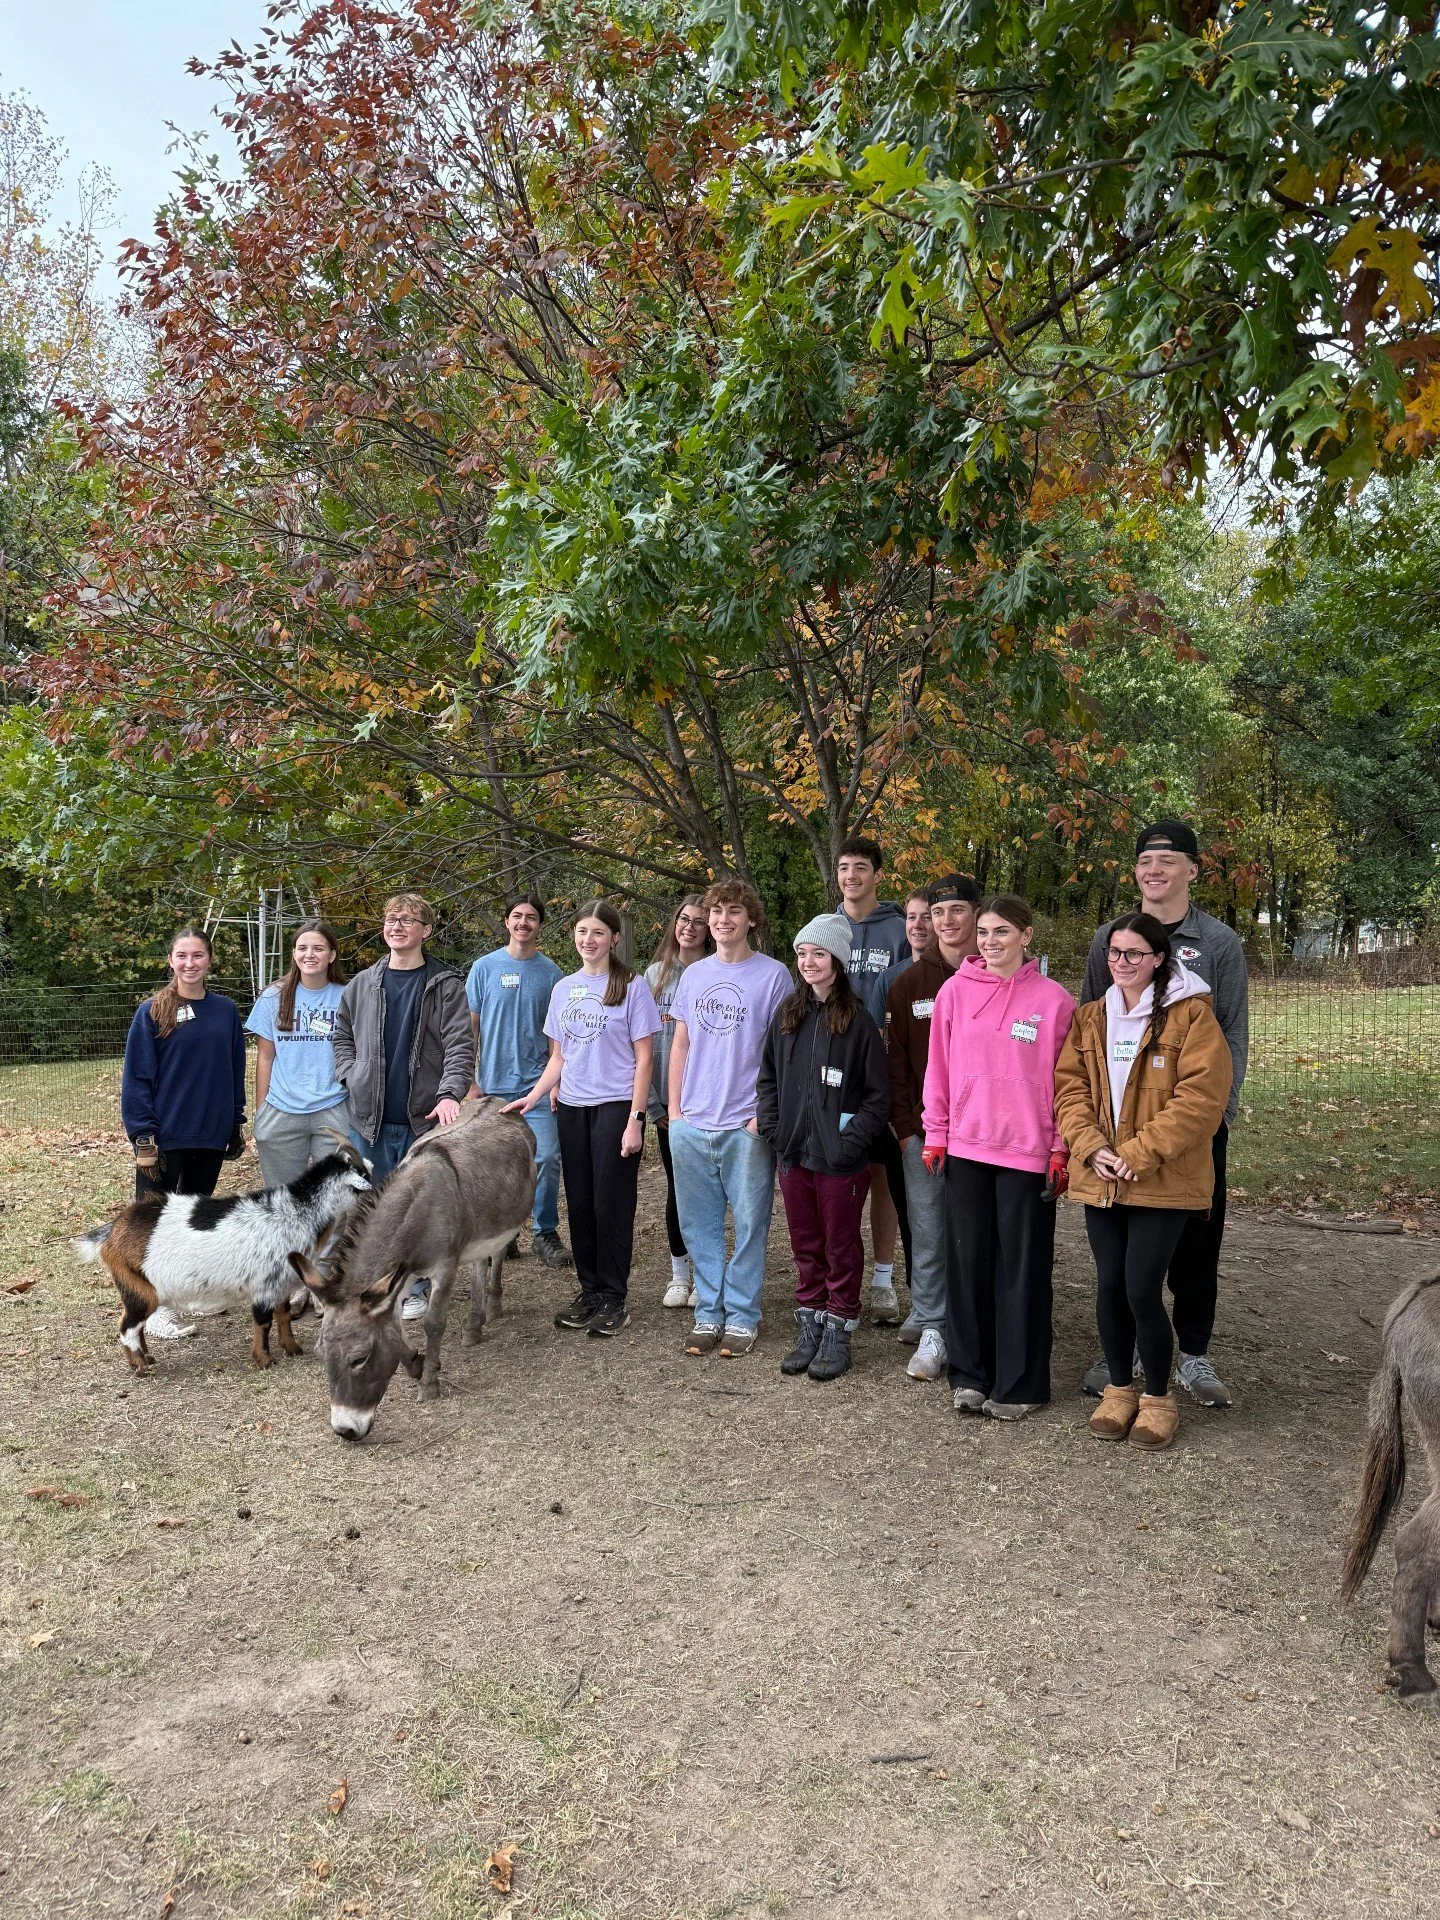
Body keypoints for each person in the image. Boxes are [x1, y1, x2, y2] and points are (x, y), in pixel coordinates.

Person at [1078, 820, 1249, 1408]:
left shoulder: (1219, 942)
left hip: (1191, 1125)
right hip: (1116, 1127)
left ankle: (1194, 1356)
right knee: (1122, 1256)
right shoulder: (1112, 935)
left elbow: (1230, 1031)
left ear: (1192, 869)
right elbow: (1091, 1027)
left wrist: (1218, 1114)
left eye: (1168, 859)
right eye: (1145, 860)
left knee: (1197, 1246)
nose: (1155, 869)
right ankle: (1120, 1355)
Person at [1055, 913, 1234, 1451]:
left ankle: (1158, 1398)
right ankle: (1119, 1388)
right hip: (1102, 1173)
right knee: (1109, 1285)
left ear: (1160, 958)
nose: (1122, 963)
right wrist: (1093, 1149)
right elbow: (1070, 1090)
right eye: (1115, 953)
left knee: (1140, 1286)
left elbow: (1201, 1101)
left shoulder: (1192, 1019)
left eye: (1135, 954)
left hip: (1161, 1177)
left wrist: (1136, 1153)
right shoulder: (1089, 1019)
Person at [921, 894, 1075, 1420]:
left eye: (1002, 932)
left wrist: (1060, 1147)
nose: (989, 942)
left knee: (1022, 1269)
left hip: (1029, 1153)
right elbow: (937, 1068)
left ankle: (1022, 1383)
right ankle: (970, 1373)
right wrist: (935, 1133)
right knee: (968, 1263)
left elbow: (1067, 1083)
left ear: (1027, 936)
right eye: (983, 932)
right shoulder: (954, 993)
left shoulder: (1055, 1001)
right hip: (965, 1146)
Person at [506, 901, 660, 1337]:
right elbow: (559, 1057)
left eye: (596, 932)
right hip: (571, 1108)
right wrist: (533, 1096)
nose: (587, 940)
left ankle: (614, 1296)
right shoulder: (564, 988)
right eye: (580, 931)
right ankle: (589, 1290)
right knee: (580, 1203)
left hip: (615, 1108)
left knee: (611, 1204)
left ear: (614, 938)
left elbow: (645, 1059)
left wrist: (635, 1119)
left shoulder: (632, 987)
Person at [757, 913, 890, 1382]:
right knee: (805, 1245)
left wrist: (849, 1143)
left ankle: (839, 1327)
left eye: (818, 953)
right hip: (794, 1154)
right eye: (802, 953)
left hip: (838, 1161)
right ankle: (809, 1324)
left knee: (840, 1245)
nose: (808, 962)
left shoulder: (858, 1022)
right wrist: (774, 1129)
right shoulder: (787, 1016)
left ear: (836, 960)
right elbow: (768, 1079)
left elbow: (878, 1097)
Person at [332, 893, 473, 1319]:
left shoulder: (445, 985)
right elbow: (341, 1037)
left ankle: (422, 1285)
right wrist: (350, 1074)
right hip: (369, 1122)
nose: (398, 926)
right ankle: (387, 1289)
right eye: (392, 918)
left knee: (421, 1209)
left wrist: (450, 1092)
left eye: (409, 920)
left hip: (422, 1121)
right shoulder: (361, 984)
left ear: (426, 931)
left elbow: (459, 1045)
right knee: (376, 1210)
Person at [667, 879, 791, 1357]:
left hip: (746, 1124)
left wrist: (765, 1114)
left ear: (750, 919)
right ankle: (708, 1312)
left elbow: (782, 1051)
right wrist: (675, 1112)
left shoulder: (775, 976)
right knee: (698, 1224)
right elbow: (681, 1044)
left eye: (733, 911)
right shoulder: (694, 976)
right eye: (716, 912)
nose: (722, 920)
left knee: (750, 1222)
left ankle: (742, 1315)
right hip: (693, 1122)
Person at [121, 927, 247, 1340]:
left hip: (208, 1136)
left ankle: (178, 1298)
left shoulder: (225, 1011)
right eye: (182, 956)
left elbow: (234, 1069)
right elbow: (138, 1078)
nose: (190, 963)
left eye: (198, 956)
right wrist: (143, 1138)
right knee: (152, 1226)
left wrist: (234, 1123)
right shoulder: (153, 1010)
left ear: (209, 961)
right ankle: (147, 1308)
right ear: (170, 961)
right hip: (164, 1139)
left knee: (192, 1222)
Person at [885, 873, 980, 1380]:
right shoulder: (909, 983)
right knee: (927, 1231)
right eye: (937, 913)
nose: (945, 922)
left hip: (983, 1135)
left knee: (974, 1234)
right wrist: (904, 1129)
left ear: (976, 915)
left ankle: (970, 1323)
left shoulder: (995, 975)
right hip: (924, 1135)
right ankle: (932, 1325)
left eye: (957, 911)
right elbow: (894, 1062)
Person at [465, 893, 569, 1269]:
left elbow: (559, 1037)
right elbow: (469, 1028)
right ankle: (501, 1235)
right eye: (516, 916)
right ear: (507, 921)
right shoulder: (484, 967)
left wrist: (555, 1082)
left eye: (531, 917)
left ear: (540, 925)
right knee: (492, 1164)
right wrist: (469, 1080)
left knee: (545, 1158)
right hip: (491, 1087)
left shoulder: (552, 974)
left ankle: (544, 1232)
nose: (523, 922)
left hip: (536, 1085)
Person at [835, 835, 912, 1324]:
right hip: (835, 1072)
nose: (851, 876)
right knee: (839, 1175)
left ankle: (883, 1281)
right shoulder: (826, 929)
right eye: (844, 867)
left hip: (883, 1072)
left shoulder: (900, 930)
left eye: (861, 867)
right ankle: (838, 1279)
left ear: (878, 874)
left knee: (884, 1176)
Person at [645, 896, 715, 1309]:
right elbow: (643, 1047)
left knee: (710, 1191)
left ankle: (708, 1272)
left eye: (699, 922)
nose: (689, 928)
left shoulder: (715, 973)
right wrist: (656, 1107)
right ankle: (679, 1273)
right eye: (684, 920)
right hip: (668, 1107)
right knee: (678, 1189)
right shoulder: (655, 976)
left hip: (709, 1101)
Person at [247, 920, 350, 1188]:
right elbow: (266, 1057)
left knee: (334, 1199)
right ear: (294, 953)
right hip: (282, 1111)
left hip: (334, 1108)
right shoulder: (273, 997)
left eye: (318, 948)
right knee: (284, 1201)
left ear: (332, 955)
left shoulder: (349, 996)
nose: (310, 954)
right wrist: (262, 1112)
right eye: (302, 948)